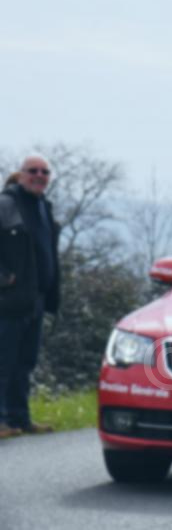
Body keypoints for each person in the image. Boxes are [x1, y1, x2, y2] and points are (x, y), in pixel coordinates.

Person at [0, 155, 60, 438]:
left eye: (44, 171)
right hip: (9, 300)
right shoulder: (6, 204)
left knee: (25, 362)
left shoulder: (43, 207)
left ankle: (19, 419)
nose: (39, 175)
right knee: (4, 361)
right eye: (32, 170)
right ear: (21, 174)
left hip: (35, 299)